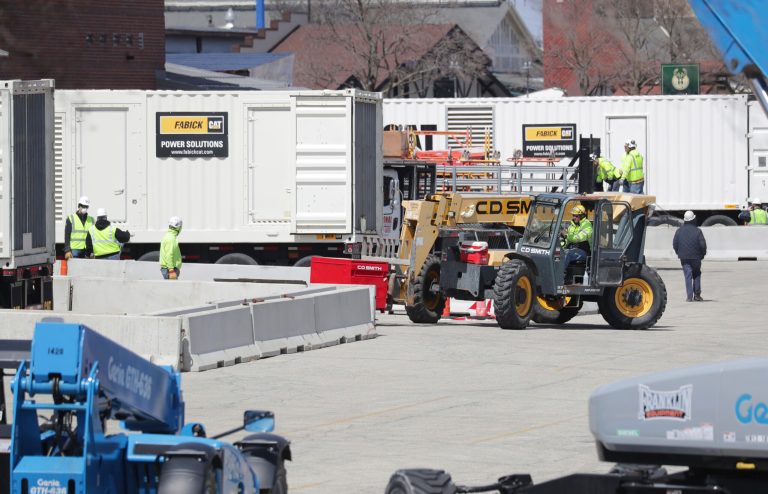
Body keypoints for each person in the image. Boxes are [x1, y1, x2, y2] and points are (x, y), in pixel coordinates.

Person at [672, 210, 707, 302]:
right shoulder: (698, 231)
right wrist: (702, 254)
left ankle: (689, 297)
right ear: (693, 219)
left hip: (684, 257)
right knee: (696, 274)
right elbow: (702, 245)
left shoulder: (679, 231)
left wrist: (678, 253)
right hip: (696, 257)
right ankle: (697, 295)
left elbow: (675, 244)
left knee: (688, 275)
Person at [561, 203, 593, 272]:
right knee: (559, 252)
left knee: (568, 254)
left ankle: (560, 275)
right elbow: (567, 241)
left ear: (581, 216)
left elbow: (578, 238)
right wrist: (560, 247)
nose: (574, 217)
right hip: (572, 249)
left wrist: (566, 235)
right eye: (573, 215)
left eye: (576, 216)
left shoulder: (587, 225)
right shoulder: (572, 226)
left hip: (584, 251)